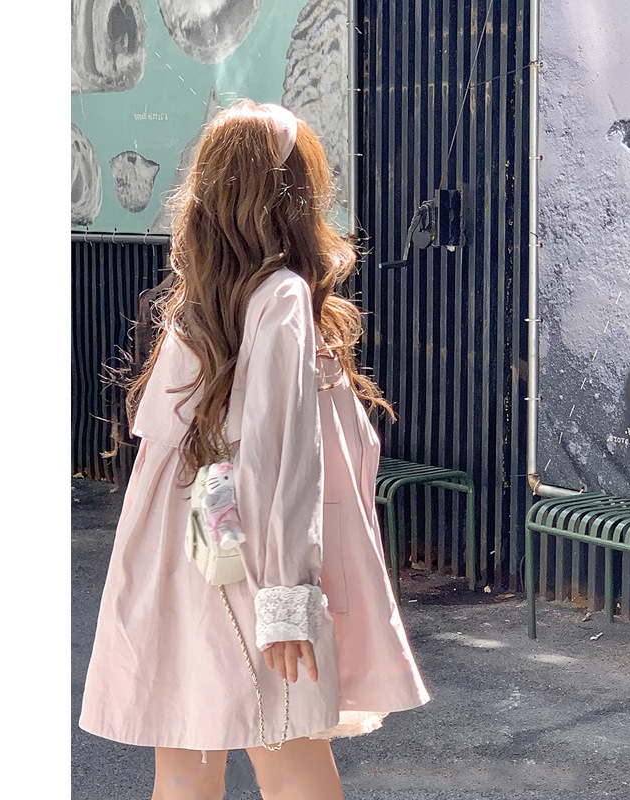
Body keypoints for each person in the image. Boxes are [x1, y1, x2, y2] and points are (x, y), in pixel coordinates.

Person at [79, 100, 430, 800]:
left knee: (186, 762)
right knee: (290, 754)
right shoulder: (282, 296)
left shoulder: (199, 302)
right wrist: (287, 599)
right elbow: (279, 455)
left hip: (179, 548)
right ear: (294, 196)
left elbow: (177, 450)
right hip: (253, 556)